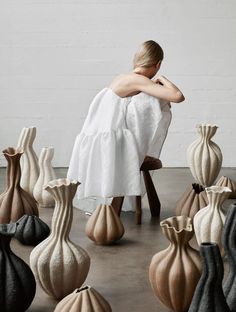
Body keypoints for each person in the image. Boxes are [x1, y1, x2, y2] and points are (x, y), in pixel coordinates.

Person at [67, 40, 185, 207]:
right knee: (160, 106)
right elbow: (177, 96)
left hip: (100, 134)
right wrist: (163, 79)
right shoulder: (138, 80)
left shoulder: (124, 77)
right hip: (110, 140)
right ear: (157, 64)